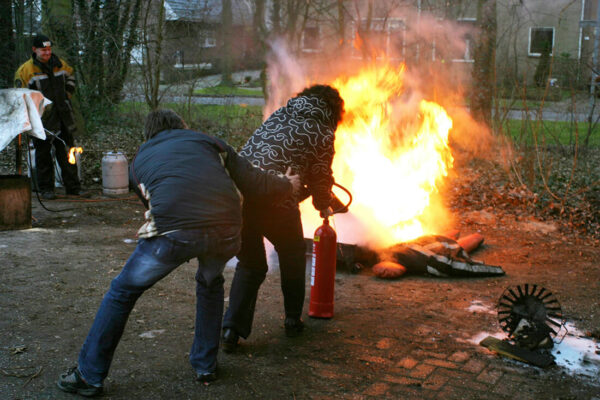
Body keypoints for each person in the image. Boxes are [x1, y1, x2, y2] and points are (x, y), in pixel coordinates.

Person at [57, 109, 301, 396]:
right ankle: (205, 365)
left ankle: (89, 375)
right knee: (210, 283)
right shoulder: (211, 142)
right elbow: (254, 181)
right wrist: (288, 184)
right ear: (183, 126)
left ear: (149, 134)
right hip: (227, 230)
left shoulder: (138, 161)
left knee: (122, 291)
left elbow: (152, 205)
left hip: (175, 233)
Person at [222, 84, 345, 350]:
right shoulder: (322, 130)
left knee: (251, 265)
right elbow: (320, 177)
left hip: (241, 194)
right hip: (276, 197)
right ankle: (292, 319)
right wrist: (324, 205)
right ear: (333, 110)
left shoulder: (280, 114)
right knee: (292, 254)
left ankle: (232, 329)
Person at [14, 33, 86, 200]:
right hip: (41, 121)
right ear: (34, 50)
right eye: (43, 50)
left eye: (48, 50)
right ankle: (46, 189)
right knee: (43, 155)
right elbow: (19, 96)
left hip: (63, 117)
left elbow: (71, 77)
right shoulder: (26, 71)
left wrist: (67, 94)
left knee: (67, 153)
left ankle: (73, 187)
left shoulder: (60, 64)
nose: (47, 53)